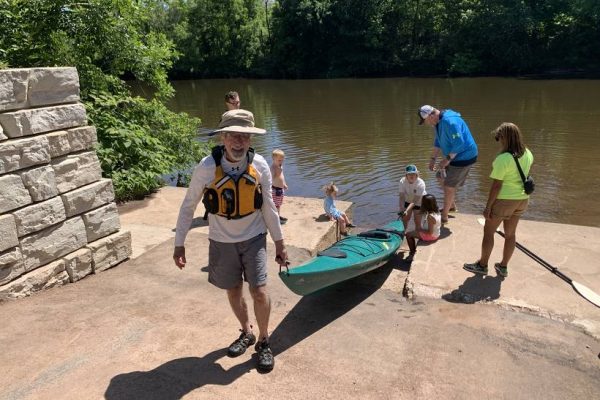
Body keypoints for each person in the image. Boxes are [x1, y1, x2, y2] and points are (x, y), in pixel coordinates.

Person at [173, 109, 287, 373]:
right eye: (233, 135)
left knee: (259, 290)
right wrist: (179, 243)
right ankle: (246, 332)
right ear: (222, 137)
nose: (239, 141)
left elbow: (268, 206)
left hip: (255, 236)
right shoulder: (205, 168)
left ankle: (263, 340)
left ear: (250, 139)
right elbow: (188, 206)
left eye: (244, 136)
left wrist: (280, 243)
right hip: (221, 240)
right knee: (233, 289)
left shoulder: (259, 166)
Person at [463, 122, 534, 277]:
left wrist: (488, 207)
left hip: (504, 201)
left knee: (488, 232)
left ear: (505, 138)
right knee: (511, 234)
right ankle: (503, 267)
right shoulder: (528, 153)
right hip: (522, 199)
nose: (498, 141)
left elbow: (496, 185)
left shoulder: (503, 159)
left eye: (498, 137)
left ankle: (482, 265)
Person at [418, 104, 478, 224]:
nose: (427, 124)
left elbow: (459, 143)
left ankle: (444, 217)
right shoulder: (438, 122)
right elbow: (438, 140)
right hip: (453, 156)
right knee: (440, 177)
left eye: (426, 120)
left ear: (431, 115)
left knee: (449, 187)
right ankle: (451, 206)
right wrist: (433, 159)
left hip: (464, 157)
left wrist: (447, 159)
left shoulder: (450, 123)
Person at [398, 164, 427, 233]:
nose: (411, 176)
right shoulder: (402, 182)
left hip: (419, 202)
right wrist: (402, 208)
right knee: (405, 219)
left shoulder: (421, 183)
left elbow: (415, 201)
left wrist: (406, 210)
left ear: (417, 174)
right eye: (409, 174)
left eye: (413, 174)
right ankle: (403, 235)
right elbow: (401, 196)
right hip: (408, 200)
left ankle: (418, 235)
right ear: (406, 175)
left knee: (417, 221)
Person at [270, 149, 288, 224]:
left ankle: (278, 216)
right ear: (273, 159)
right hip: (275, 190)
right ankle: (275, 219)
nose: (281, 162)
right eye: (279, 160)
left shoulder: (280, 166)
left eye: (282, 160)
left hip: (280, 189)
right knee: (276, 205)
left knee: (279, 204)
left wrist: (284, 184)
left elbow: (281, 176)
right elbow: (270, 180)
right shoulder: (273, 168)